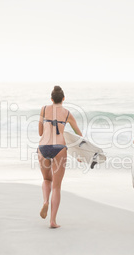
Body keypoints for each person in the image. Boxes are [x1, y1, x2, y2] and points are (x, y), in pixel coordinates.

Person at [38, 86, 82, 228]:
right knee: (56, 187)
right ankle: (53, 221)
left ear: (51, 99)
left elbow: (40, 132)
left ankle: (45, 201)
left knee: (46, 179)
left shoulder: (44, 109)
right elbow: (79, 135)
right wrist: (80, 153)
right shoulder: (67, 113)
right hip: (59, 148)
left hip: (43, 147)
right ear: (63, 99)